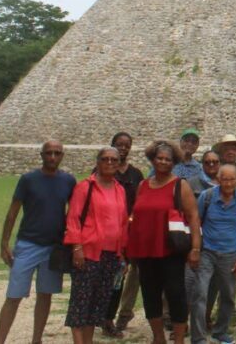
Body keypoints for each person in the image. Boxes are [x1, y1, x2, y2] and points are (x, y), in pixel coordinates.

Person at [0, 140, 77, 344]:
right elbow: (13, 212)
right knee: (14, 295)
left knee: (45, 294)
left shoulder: (68, 181)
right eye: (49, 153)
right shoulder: (28, 179)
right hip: (29, 243)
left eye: (57, 153)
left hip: (53, 247)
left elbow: (74, 213)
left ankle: (37, 339)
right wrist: (4, 243)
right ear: (41, 155)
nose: (52, 157)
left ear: (62, 156)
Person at [128, 140, 202, 344]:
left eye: (167, 159)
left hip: (171, 250)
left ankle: (178, 339)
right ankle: (158, 337)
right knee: (150, 295)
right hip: (145, 250)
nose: (162, 162)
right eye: (159, 158)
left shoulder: (180, 185)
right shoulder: (143, 185)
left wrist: (195, 248)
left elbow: (194, 217)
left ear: (174, 162)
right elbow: (136, 214)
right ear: (152, 159)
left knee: (176, 295)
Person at [64, 146, 130, 344]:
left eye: (113, 160)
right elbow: (73, 218)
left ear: (119, 164)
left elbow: (123, 223)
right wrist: (77, 248)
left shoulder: (119, 189)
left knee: (97, 305)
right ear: (97, 161)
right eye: (105, 159)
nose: (109, 163)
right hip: (89, 253)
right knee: (80, 304)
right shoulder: (86, 187)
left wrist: (123, 254)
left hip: (111, 255)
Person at [192, 163, 236, 344]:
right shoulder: (206, 197)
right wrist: (196, 249)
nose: (228, 183)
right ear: (218, 180)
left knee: (228, 295)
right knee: (200, 294)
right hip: (207, 253)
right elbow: (197, 223)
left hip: (230, 254)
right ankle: (199, 337)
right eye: (224, 179)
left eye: (231, 179)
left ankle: (220, 331)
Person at [104, 132, 146, 337]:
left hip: (128, 233)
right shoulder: (104, 169)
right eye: (119, 144)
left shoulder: (135, 174)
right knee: (104, 276)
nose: (122, 148)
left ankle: (109, 318)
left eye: (126, 145)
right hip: (105, 232)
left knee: (119, 278)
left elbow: (141, 202)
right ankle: (102, 316)